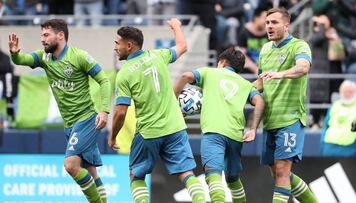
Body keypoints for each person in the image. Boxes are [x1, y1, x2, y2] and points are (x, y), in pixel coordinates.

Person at [8, 19, 110, 203]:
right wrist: (15, 54)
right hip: (69, 124)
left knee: (71, 165)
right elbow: (23, 59)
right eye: (41, 35)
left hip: (86, 119)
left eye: (46, 35)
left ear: (60, 35)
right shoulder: (45, 58)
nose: (42, 39)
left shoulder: (79, 56)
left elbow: (104, 80)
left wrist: (104, 111)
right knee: (90, 170)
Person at [108, 18, 206, 203]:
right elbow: (182, 46)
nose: (115, 47)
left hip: (149, 132)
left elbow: (121, 112)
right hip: (175, 127)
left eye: (117, 43)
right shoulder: (158, 55)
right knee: (186, 173)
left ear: (129, 46)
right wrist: (176, 26)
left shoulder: (125, 74)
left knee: (136, 176)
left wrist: (113, 136)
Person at [174, 46, 265, 203]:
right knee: (232, 178)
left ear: (222, 62)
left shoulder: (209, 73)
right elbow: (260, 102)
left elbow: (185, 76)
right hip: (236, 135)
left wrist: (173, 101)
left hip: (213, 132)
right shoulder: (245, 84)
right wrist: (253, 129)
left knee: (213, 175)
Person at [254, 8, 318, 203]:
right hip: (270, 119)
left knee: (282, 170)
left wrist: (280, 74)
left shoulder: (299, 46)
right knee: (278, 173)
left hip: (290, 118)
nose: (269, 26)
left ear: (286, 25)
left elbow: (303, 68)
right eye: (267, 23)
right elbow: (260, 83)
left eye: (274, 22)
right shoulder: (265, 49)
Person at [321, 80, 356, 157]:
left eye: (350, 92)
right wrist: (323, 145)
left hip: (351, 150)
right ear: (340, 92)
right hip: (329, 148)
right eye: (345, 92)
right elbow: (325, 126)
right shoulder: (334, 105)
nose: (347, 94)